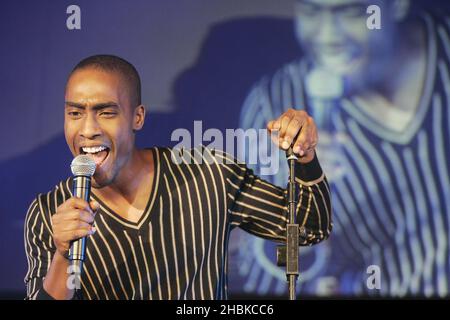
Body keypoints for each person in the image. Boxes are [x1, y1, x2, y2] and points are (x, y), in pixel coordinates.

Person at [24, 54, 331, 300]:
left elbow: (309, 226)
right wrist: (63, 256)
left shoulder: (208, 174)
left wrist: (304, 156)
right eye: (74, 113)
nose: (87, 129)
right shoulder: (47, 213)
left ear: (137, 117)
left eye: (106, 112)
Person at [239, 0, 450, 296]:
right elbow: (264, 285)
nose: (327, 36)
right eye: (312, 11)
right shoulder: (275, 104)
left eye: (352, 12)